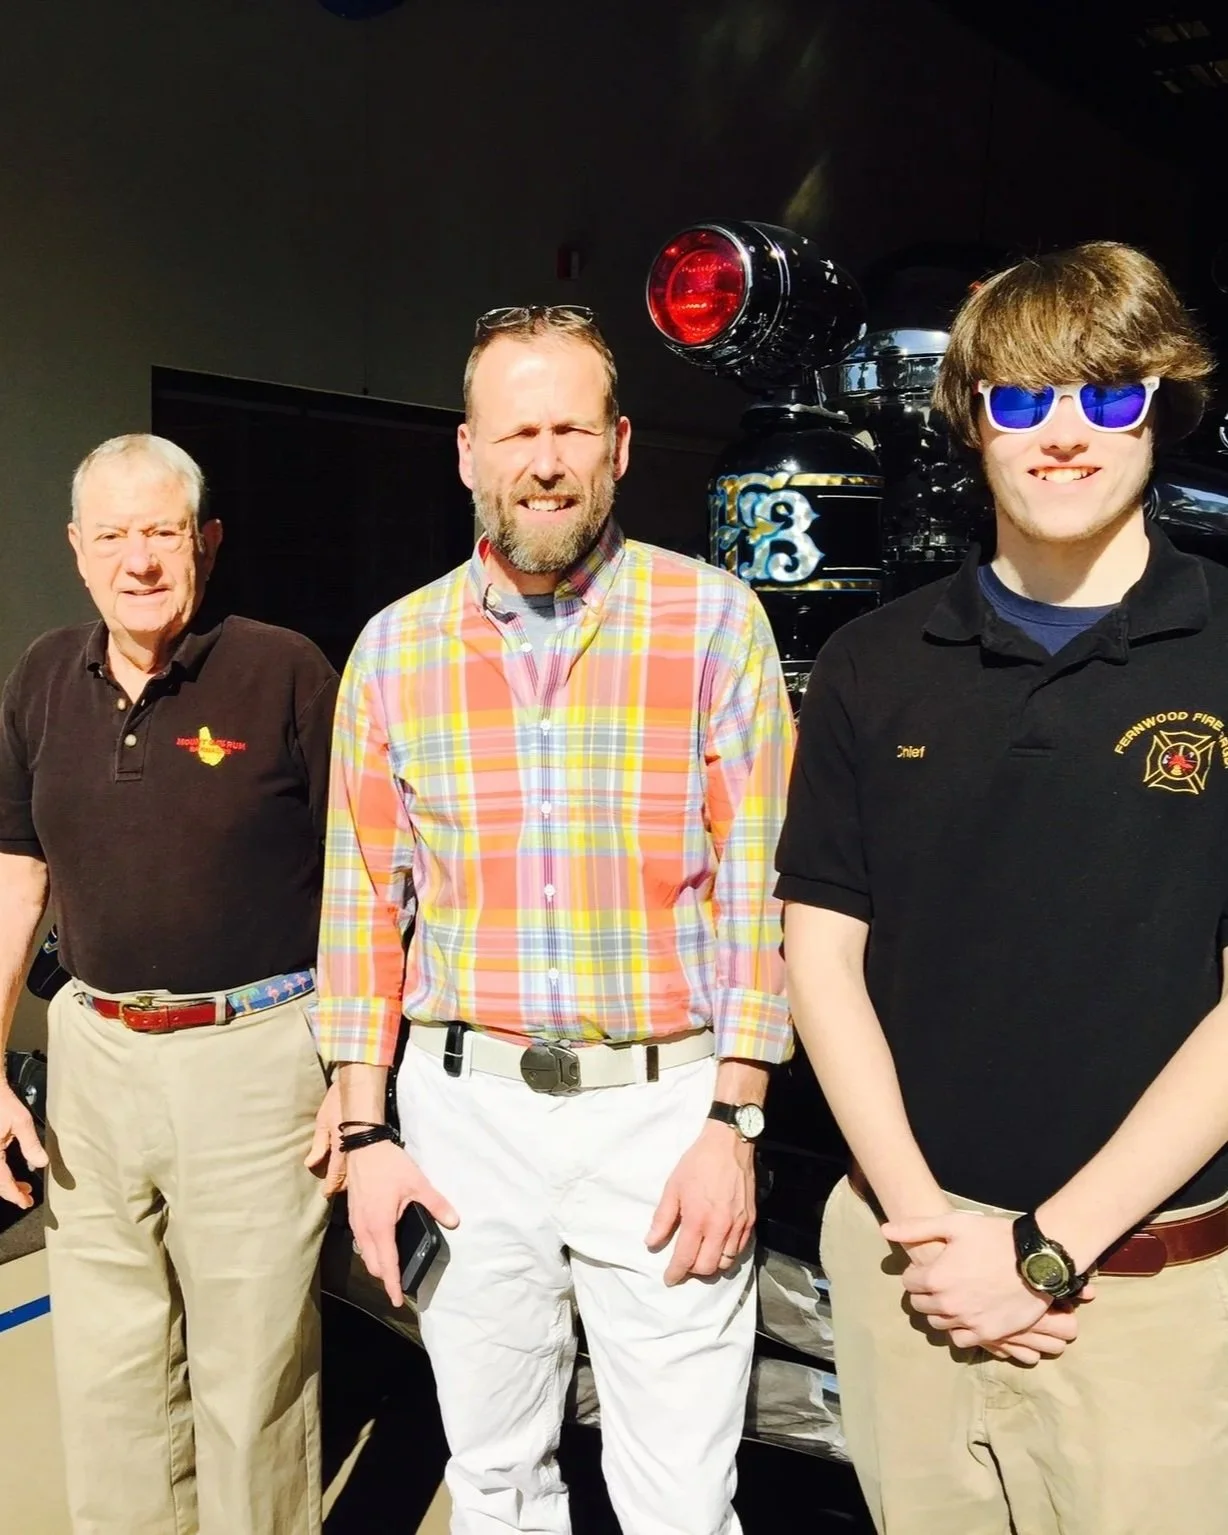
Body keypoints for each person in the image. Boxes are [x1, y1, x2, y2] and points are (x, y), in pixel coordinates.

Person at [317, 304, 793, 1533]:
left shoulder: (714, 623)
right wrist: (367, 1133)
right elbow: (365, 900)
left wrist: (735, 1115)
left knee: (682, 1496)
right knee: (491, 1474)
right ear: (467, 451)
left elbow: (759, 887)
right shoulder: (393, 651)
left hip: (663, 1112)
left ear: (620, 445)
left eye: (570, 428)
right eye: (515, 430)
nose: (543, 458)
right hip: (463, 1110)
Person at [776, 241, 1228, 1533]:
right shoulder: (873, 662)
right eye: (1023, 399)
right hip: (906, 1273)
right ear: (974, 421)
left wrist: (1043, 1246)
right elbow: (823, 959)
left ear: (1164, 404)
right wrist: (928, 1230)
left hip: (1140, 1298)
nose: (1065, 432)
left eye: (1108, 392)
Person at [0, 434, 344, 1535]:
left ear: (206, 540)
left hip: (254, 1054)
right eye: (112, 534)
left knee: (251, 1377)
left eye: (161, 531)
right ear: (76, 548)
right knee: (109, 1371)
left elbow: (369, 884)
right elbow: (16, 879)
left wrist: (356, 1073)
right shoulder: (44, 677)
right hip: (94, 1054)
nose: (138, 559)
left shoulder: (283, 667)